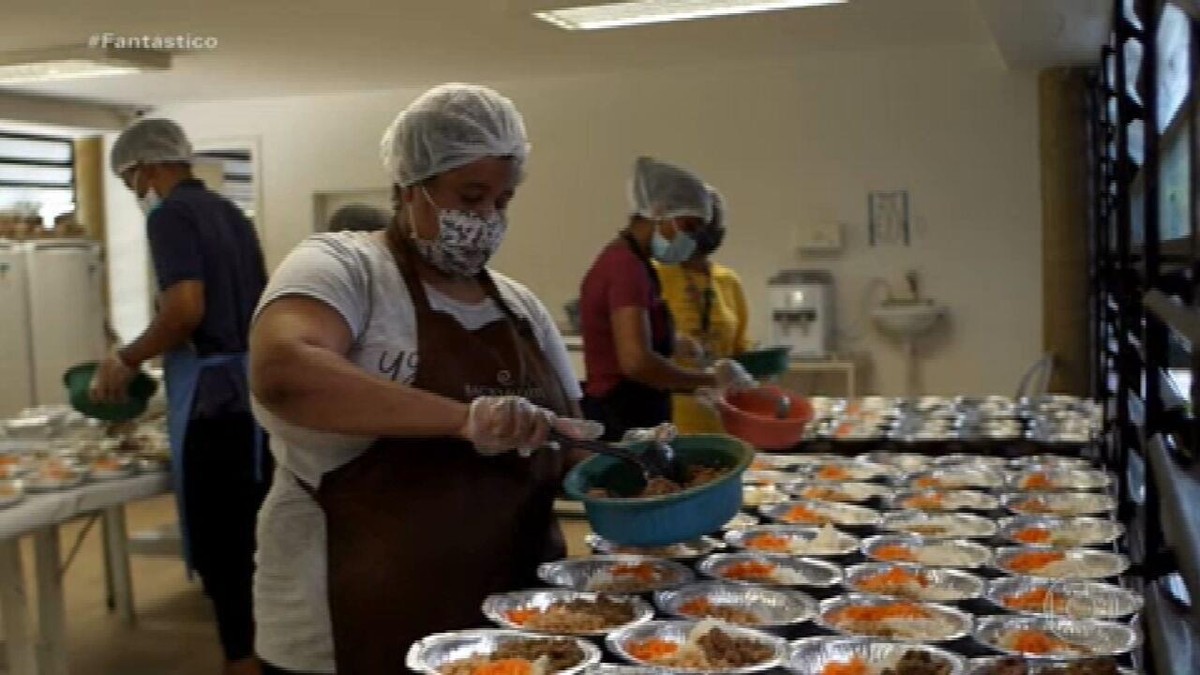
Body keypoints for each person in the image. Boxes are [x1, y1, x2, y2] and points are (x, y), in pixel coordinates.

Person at [248, 83, 601, 675]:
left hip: (507, 625)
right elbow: (285, 372)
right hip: (346, 618)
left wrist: (626, 471)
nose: (486, 218)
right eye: (470, 196)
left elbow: (568, 449)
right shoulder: (345, 268)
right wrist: (467, 420)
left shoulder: (519, 307)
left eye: (503, 201)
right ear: (411, 187)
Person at [94, 118, 273, 675]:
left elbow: (186, 309)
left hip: (213, 403)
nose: (134, 194)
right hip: (252, 399)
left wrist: (125, 358)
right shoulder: (230, 214)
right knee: (254, 537)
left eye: (130, 183)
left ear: (144, 168)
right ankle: (270, 651)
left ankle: (241, 660)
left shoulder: (171, 216)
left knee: (224, 548)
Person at [579, 157, 754, 441]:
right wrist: (709, 381)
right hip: (622, 416)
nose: (692, 240)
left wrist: (676, 343)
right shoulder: (625, 268)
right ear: (660, 212)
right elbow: (637, 362)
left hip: (637, 413)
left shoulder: (636, 263)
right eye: (689, 226)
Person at [656, 188, 751, 433]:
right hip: (668, 420)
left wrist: (742, 371)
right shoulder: (654, 275)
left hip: (724, 419)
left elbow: (742, 352)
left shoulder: (728, 281)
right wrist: (670, 341)